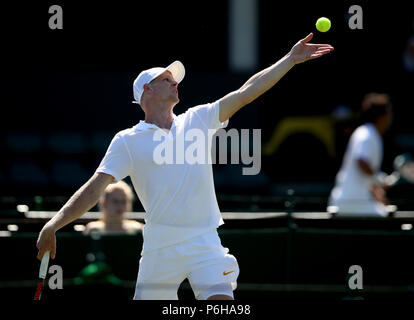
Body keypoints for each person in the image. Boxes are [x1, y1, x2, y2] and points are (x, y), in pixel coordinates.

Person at [36, 33, 333, 300]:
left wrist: (289, 60)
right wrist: (54, 224)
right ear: (146, 92)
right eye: (166, 79)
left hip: (205, 242)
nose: (174, 82)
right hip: (159, 248)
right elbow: (93, 190)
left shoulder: (198, 119)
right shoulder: (126, 141)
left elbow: (246, 91)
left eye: (174, 79)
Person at [328, 93, 393, 217]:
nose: (391, 117)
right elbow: (362, 162)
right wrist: (379, 179)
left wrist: (380, 196)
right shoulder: (367, 134)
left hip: (352, 202)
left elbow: (367, 178)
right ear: (381, 116)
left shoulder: (370, 134)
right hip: (350, 203)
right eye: (389, 113)